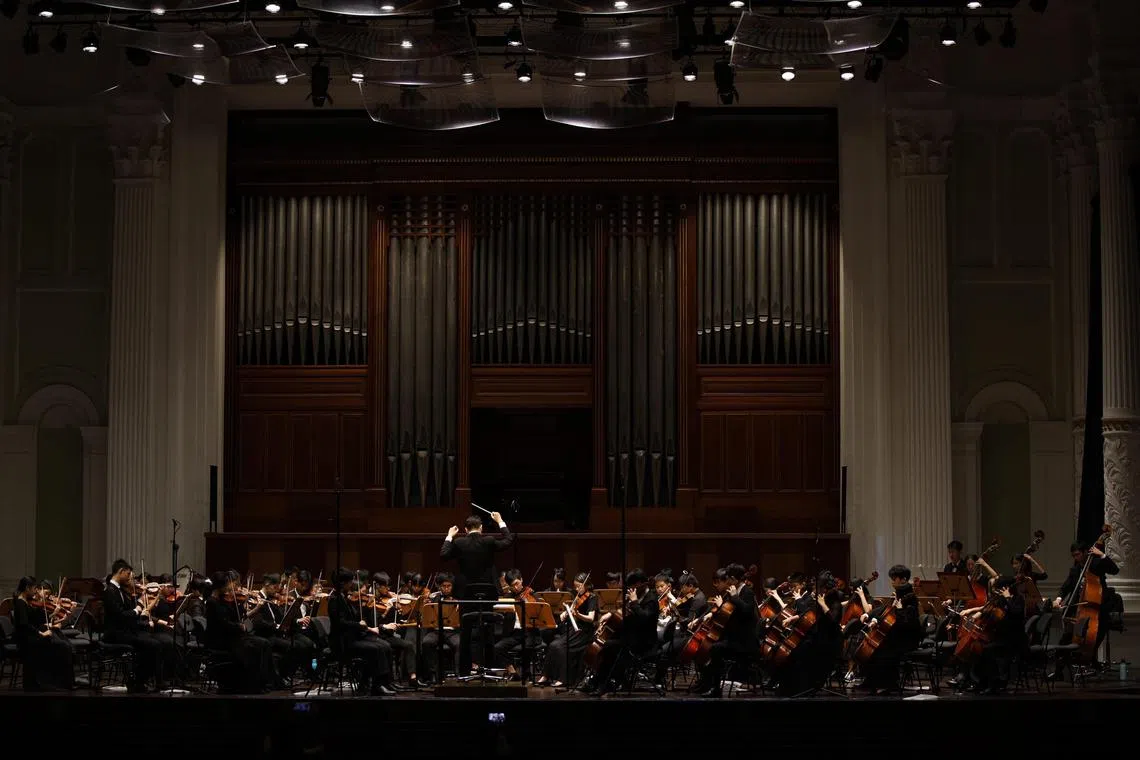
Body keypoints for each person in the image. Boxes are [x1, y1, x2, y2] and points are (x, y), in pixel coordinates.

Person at [441, 510, 514, 673]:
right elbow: (508, 540)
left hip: (466, 594)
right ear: (480, 528)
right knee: (487, 630)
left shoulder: (459, 542)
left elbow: (444, 554)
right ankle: (488, 669)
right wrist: (500, 521)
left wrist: (449, 535)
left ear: (466, 530)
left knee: (465, 633)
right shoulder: (488, 540)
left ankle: (465, 672)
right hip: (487, 594)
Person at [102, 559, 174, 692]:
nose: (131, 577)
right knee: (153, 644)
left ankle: (145, 680)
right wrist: (138, 609)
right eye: (128, 574)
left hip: (126, 631)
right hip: (116, 634)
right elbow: (120, 615)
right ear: (121, 572)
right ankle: (139, 681)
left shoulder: (118, 590)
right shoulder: (110, 591)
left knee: (155, 641)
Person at [327, 568, 396, 696]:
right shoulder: (334, 599)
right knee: (376, 648)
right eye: (350, 581)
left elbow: (353, 617)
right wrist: (358, 624)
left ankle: (382, 682)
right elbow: (340, 623)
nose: (352, 584)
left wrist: (363, 618)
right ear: (342, 583)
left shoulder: (344, 597)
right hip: (342, 642)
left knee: (384, 645)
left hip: (353, 637)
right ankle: (376, 685)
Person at [693, 567, 759, 698]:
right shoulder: (731, 592)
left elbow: (747, 612)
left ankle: (715, 689)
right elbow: (726, 613)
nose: (726, 580)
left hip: (745, 642)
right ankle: (706, 683)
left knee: (716, 649)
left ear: (734, 579)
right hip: (734, 637)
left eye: (728, 577)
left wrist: (734, 597)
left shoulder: (747, 592)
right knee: (710, 646)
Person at [857, 564, 921, 696]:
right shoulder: (899, 593)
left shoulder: (910, 598)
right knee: (875, 644)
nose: (892, 582)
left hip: (908, 637)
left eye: (894, 579)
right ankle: (872, 680)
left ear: (903, 579)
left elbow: (907, 622)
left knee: (882, 647)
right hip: (896, 635)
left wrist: (899, 609)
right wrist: (869, 615)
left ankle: (889, 683)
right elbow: (884, 609)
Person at [204, 572, 273, 694]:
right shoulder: (212, 602)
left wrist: (242, 604)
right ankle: (250, 684)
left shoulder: (225, 600)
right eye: (227, 587)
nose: (230, 590)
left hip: (234, 636)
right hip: (221, 639)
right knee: (253, 647)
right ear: (220, 586)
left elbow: (238, 617)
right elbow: (222, 624)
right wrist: (238, 626)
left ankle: (265, 682)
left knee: (265, 643)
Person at [961, 575, 1026, 694]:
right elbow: (989, 610)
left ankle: (994, 684)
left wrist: (1008, 598)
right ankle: (981, 682)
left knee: (987, 651)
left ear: (1006, 589)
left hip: (1014, 640)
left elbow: (1016, 612)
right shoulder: (1000, 600)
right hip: (1000, 637)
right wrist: (977, 614)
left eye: (998, 589)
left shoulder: (1018, 599)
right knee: (978, 649)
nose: (995, 592)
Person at [1053, 539, 1120, 655]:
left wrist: (1102, 555)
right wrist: (1058, 599)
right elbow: (1065, 587)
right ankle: (1064, 660)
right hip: (1078, 606)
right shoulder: (1075, 569)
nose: (1076, 558)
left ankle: (1091, 658)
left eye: (1077, 555)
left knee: (1099, 629)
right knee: (1067, 635)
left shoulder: (1096, 563)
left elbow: (1115, 570)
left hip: (1097, 606)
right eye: (1073, 556)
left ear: (1085, 552)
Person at [11, 578, 75, 691]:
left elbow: (38, 619)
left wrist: (55, 617)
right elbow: (25, 625)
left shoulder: (26, 601)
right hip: (26, 639)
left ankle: (62, 682)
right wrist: (41, 633)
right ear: (27, 588)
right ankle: (52, 683)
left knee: (64, 643)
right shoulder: (20, 603)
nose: (36, 591)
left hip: (32, 635)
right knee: (62, 647)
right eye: (34, 589)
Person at [539, 572, 597, 688]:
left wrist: (578, 615)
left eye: (579, 586)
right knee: (553, 645)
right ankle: (546, 675)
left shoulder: (592, 597)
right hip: (574, 629)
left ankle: (563, 679)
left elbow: (591, 619)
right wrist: (565, 613)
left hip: (584, 631)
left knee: (559, 646)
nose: (576, 588)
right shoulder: (577, 596)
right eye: (575, 586)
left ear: (586, 585)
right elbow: (571, 610)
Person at [421, 573, 460, 684]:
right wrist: (426, 605)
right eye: (444, 586)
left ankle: (458, 675)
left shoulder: (457, 598)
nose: (446, 589)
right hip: (436, 630)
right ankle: (432, 675)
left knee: (459, 644)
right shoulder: (433, 598)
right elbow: (426, 617)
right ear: (439, 586)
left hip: (451, 631)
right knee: (426, 642)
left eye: (449, 586)